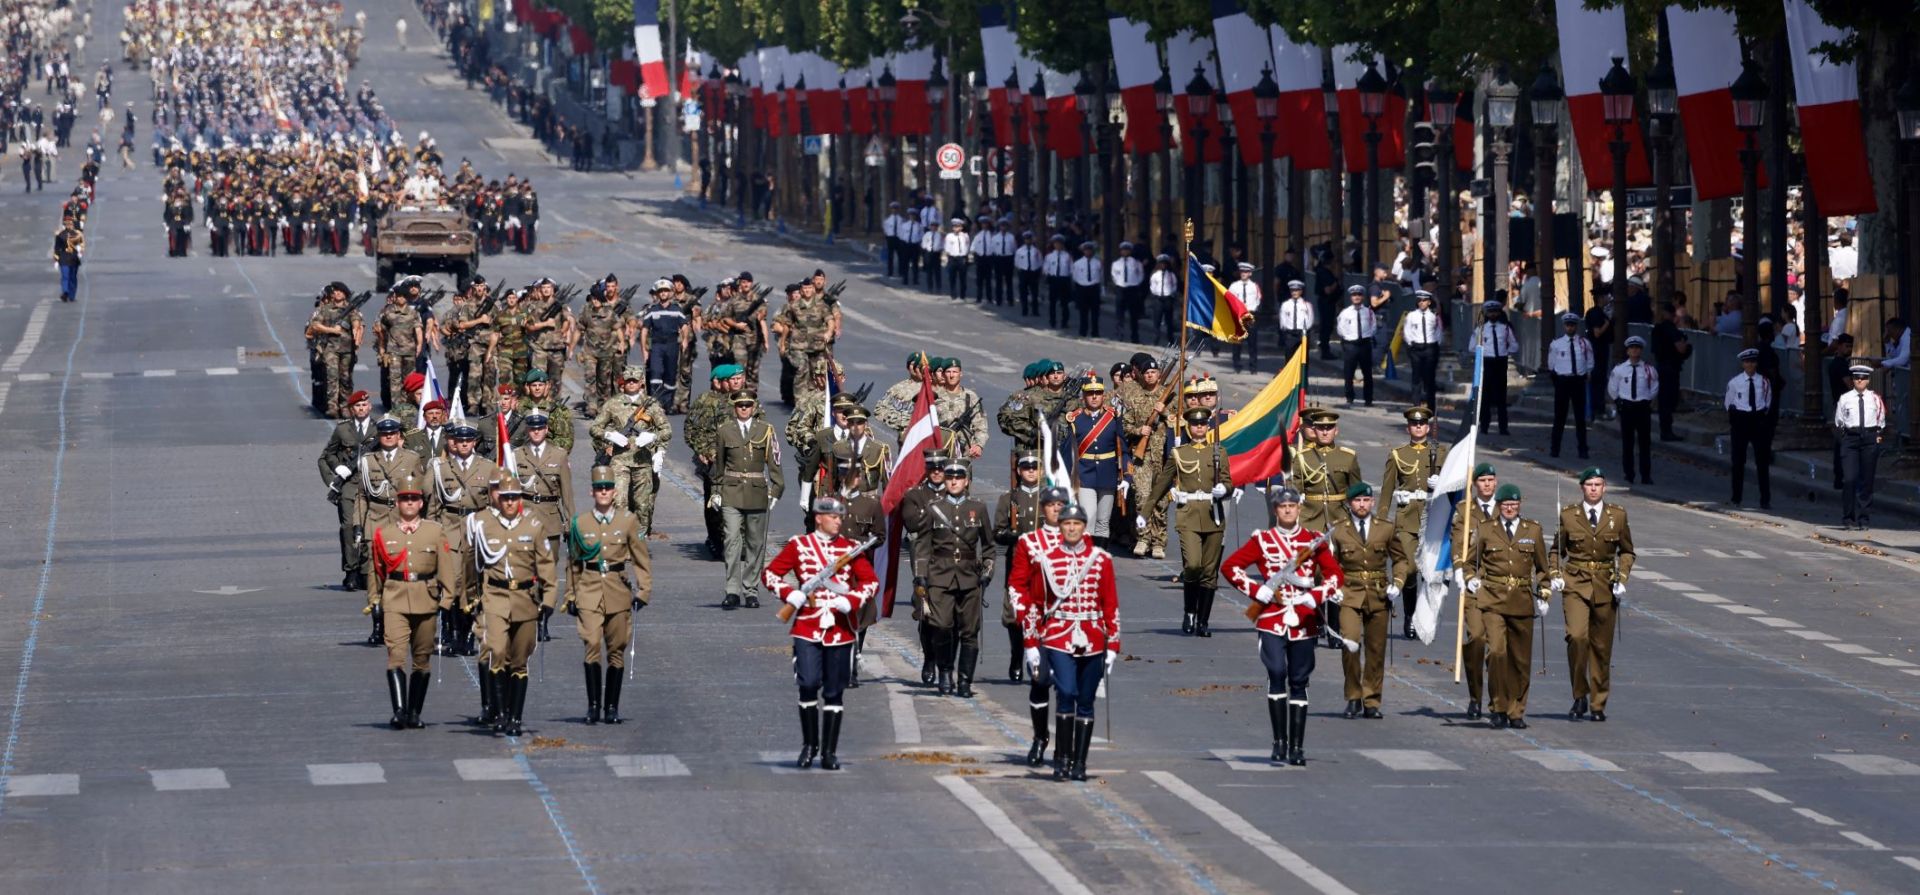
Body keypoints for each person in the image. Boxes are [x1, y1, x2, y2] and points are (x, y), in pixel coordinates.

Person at [1221, 487, 1341, 765]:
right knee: (1276, 672)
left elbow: (1335, 575)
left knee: (1299, 681)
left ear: (1299, 508)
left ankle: (1297, 748)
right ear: (1275, 510)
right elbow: (1230, 567)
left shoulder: (1313, 540)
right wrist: (1256, 590)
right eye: (1282, 506)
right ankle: (1279, 742)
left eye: (1292, 506)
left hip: (1303, 620)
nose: (1287, 510)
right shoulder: (1263, 540)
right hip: (1272, 618)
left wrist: (1316, 596)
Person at [764, 497, 880, 770]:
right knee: (807, 684)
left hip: (840, 629)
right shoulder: (799, 546)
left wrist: (851, 601)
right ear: (819, 518)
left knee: (834, 691)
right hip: (807, 625)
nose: (839, 521)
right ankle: (809, 745)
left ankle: (829, 752)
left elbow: (870, 582)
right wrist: (790, 593)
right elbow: (770, 574)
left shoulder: (850, 549)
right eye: (834, 517)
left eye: (841, 517)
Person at [1016, 504, 1118, 782]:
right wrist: (1031, 644)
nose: (1071, 528)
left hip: (1093, 637)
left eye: (1077, 523)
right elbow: (1035, 605)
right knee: (1067, 693)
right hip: (1058, 637)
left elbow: (1111, 605)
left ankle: (1079, 763)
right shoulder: (1046, 560)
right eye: (1066, 524)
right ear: (1059, 527)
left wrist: (1113, 647)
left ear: (1084, 527)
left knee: (1085, 701)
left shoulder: (1101, 560)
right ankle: (1060, 759)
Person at [472, 476, 558, 736]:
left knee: (519, 661)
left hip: (525, 600)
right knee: (496, 650)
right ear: (498, 499)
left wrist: (549, 600)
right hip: (495, 597)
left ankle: (514, 718)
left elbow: (546, 566)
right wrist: (471, 598)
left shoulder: (533, 527)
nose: (510, 502)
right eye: (505, 497)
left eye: (514, 497)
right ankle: (498, 713)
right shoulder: (485, 527)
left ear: (521, 499)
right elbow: (473, 564)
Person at [365, 476, 453, 729]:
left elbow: (445, 568)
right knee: (395, 655)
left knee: (422, 659)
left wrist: (447, 599)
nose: (410, 503)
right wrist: (374, 598)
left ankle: (415, 712)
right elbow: (376, 570)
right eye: (405, 499)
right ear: (397, 502)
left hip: (426, 599)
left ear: (422, 503)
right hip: (395, 598)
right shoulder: (385, 533)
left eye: (414, 499)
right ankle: (399, 711)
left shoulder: (435, 531)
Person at [1460, 483, 1549, 729]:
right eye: (1505, 504)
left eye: (1514, 504)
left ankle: (1516, 710)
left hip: (1521, 600)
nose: (1510, 508)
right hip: (1493, 599)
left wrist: (1544, 592)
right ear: (1498, 506)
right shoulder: (1487, 529)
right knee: (1497, 652)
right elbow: (1469, 563)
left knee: (1520, 660)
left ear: (1520, 505)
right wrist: (1471, 580)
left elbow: (1543, 568)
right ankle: (1498, 706)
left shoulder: (1533, 530)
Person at [1550, 468, 1635, 723]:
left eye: (1598, 484)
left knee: (1601, 647)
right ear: (1582, 488)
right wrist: (1555, 574)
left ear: (1605, 487)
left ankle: (1598, 703)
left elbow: (1628, 551)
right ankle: (1580, 694)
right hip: (1575, 583)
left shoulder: (1617, 516)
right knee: (1577, 637)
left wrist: (1622, 578)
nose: (1594, 489)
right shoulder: (1568, 516)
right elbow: (1556, 550)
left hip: (1605, 585)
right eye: (1589, 485)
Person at [566, 466, 649, 724]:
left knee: (616, 649)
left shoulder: (627, 521)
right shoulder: (580, 523)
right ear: (592, 492)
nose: (603, 492)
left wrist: (644, 589)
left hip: (617, 591)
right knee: (591, 644)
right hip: (589, 590)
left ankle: (611, 707)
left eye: (608, 488)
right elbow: (574, 563)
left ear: (614, 492)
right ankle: (593, 706)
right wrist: (570, 594)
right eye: (599, 488)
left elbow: (640, 557)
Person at [1148, 409, 1233, 636]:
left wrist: (1224, 489)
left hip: (1213, 514)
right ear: (1189, 427)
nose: (1199, 428)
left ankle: (1203, 621)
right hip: (1188, 516)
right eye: (1195, 424)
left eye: (1203, 424)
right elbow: (1161, 484)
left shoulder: (1219, 452)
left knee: (1209, 572)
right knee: (1193, 565)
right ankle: (1189, 612)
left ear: (1208, 427)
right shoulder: (1178, 453)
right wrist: (1144, 512)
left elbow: (1228, 481)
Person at [912, 460, 994, 697]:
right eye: (949, 477)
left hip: (969, 577)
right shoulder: (933, 507)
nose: (954, 481)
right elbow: (923, 545)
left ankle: (965, 681)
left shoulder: (977, 508)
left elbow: (988, 546)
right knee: (941, 626)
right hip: (940, 575)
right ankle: (945, 671)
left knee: (969, 631)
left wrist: (987, 572)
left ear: (966, 481)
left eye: (959, 477)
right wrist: (920, 576)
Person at [1328, 482, 1404, 720]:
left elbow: (1401, 560)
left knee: (1376, 649)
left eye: (1366, 501)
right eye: (1357, 501)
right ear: (1350, 504)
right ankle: (1353, 696)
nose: (1362, 505)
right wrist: (1332, 587)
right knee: (1350, 643)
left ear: (1372, 502)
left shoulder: (1386, 529)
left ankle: (1372, 699)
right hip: (1349, 593)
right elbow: (1327, 564)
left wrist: (1398, 583)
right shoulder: (1338, 530)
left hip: (1379, 593)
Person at [711, 393, 785, 609]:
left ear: (754, 407)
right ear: (735, 407)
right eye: (740, 405)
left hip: (757, 492)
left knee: (755, 543)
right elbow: (719, 463)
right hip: (731, 492)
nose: (744, 408)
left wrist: (777, 489)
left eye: (747, 405)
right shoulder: (725, 430)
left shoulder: (765, 430)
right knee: (732, 541)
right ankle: (732, 590)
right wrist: (716, 490)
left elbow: (775, 461)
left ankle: (751, 590)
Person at [1381, 406, 1446, 638]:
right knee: (1408, 569)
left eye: (1422, 423)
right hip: (1407, 518)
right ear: (1408, 427)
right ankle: (1409, 614)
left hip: (1433, 517)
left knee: (1429, 574)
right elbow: (1387, 492)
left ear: (1428, 427)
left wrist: (1441, 483)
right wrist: (1380, 523)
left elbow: (1458, 487)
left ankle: (1422, 617)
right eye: (1414, 424)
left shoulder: (1442, 454)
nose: (1418, 427)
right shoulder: (1398, 454)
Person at [588, 367, 672, 532]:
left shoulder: (651, 405)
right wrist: (610, 435)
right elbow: (595, 428)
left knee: (642, 504)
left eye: (635, 381)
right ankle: (620, 538)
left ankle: (639, 538)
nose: (631, 384)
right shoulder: (613, 404)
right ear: (623, 383)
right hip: (619, 460)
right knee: (619, 500)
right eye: (628, 381)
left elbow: (666, 430)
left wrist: (653, 438)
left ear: (641, 383)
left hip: (643, 461)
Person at [993, 457, 1053, 682]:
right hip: (1018, 563)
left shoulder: (1049, 499)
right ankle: (1016, 657)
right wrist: (1012, 535)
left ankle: (1041, 658)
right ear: (1018, 471)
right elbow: (997, 532)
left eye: (1034, 468)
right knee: (1014, 615)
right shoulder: (1009, 499)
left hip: (1045, 565)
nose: (1030, 471)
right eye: (1026, 468)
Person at [1454, 463, 1500, 719]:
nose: (1487, 485)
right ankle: (1475, 695)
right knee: (1476, 640)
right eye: (1482, 480)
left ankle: (1496, 699)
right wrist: (1460, 571)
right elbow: (1458, 543)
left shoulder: (1504, 508)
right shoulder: (1465, 510)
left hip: (1498, 587)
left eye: (1491, 480)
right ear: (1474, 484)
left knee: (1497, 648)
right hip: (1473, 584)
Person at [320, 393, 377, 591]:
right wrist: (335, 475)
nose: (361, 408)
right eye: (357, 406)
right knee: (348, 527)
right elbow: (327, 456)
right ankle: (351, 571)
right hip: (350, 485)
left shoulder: (379, 429)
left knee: (370, 528)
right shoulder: (343, 429)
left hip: (372, 485)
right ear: (352, 409)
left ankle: (365, 571)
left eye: (364, 404)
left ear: (370, 406)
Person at [1069, 377, 1128, 548]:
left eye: (1098, 393)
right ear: (1084, 396)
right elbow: (1068, 452)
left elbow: (1122, 448)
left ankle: (1100, 560)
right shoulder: (1075, 419)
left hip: (1107, 474)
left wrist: (1127, 475)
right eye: (1090, 393)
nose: (1094, 397)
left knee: (1103, 522)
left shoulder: (1112, 417)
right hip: (1085, 474)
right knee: (1089, 518)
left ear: (1103, 395)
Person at [1834, 364, 1887, 531]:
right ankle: (1848, 516)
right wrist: (1845, 438)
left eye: (1863, 378)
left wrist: (1876, 437)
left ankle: (1864, 517)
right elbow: (1839, 421)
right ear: (1853, 379)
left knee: (1867, 479)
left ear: (1868, 380)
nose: (1860, 380)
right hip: (1851, 438)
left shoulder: (1875, 398)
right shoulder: (1845, 398)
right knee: (1849, 478)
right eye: (1857, 377)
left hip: (1869, 438)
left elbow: (1881, 421)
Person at [1291, 408, 1361, 533]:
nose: (1324, 432)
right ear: (1315, 430)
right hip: (1310, 518)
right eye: (1320, 428)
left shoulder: (1348, 457)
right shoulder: (1302, 457)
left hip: (1340, 517)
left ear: (1336, 431)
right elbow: (1293, 491)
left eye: (1329, 428)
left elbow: (1357, 491)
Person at [1725, 349, 1774, 508]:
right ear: (1742, 364)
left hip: (1758, 420)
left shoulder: (1764, 382)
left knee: (1762, 462)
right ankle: (1736, 497)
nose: (1750, 365)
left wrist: (1761, 418)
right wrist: (1736, 418)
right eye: (1747, 362)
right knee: (1738, 461)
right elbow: (1729, 403)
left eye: (1753, 362)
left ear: (1756, 363)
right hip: (1741, 420)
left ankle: (1765, 499)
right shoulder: (1735, 382)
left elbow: (1767, 402)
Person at [1606, 337, 1658, 484]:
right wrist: (1618, 401)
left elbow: (1654, 387)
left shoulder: (1648, 369)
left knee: (1644, 443)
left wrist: (1647, 399)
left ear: (1641, 350)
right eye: (1632, 348)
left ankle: (1645, 475)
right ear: (1627, 351)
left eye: (1637, 348)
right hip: (1627, 407)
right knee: (1627, 442)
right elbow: (1612, 387)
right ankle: (1629, 473)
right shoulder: (1620, 369)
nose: (1635, 350)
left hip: (1642, 407)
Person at [1546, 312, 1595, 459]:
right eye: (1568, 325)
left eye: (1573, 325)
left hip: (1578, 381)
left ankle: (1583, 449)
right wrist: (1558, 379)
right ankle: (1555, 449)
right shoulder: (1556, 344)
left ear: (1576, 326)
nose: (1570, 328)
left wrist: (1586, 373)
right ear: (1564, 326)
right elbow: (1551, 364)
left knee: (1580, 418)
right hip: (1563, 381)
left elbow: (1590, 361)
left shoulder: (1584, 343)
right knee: (1559, 417)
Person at [1474, 301, 1518, 434]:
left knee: (1501, 396)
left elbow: (1514, 345)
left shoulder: (1505, 328)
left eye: (1495, 311)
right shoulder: (1481, 329)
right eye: (1490, 312)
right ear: (1486, 313)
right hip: (1487, 362)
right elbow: (1472, 346)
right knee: (1485, 395)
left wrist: (1505, 351)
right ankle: (1484, 425)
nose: (1493, 314)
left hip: (1500, 362)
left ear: (1499, 313)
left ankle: (1503, 427)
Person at [1650, 302, 1691, 441]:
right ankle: (1667, 432)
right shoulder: (1670, 329)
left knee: (1664, 401)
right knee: (1669, 400)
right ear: (1673, 315)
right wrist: (1686, 346)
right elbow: (1681, 349)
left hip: (1661, 366)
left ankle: (1665, 430)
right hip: (1670, 368)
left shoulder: (1657, 329)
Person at [1334, 285, 1378, 405]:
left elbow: (1373, 326)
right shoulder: (1345, 312)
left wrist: (1367, 335)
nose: (1357, 297)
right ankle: (1349, 397)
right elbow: (1340, 328)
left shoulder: (1368, 312)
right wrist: (1348, 338)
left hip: (1364, 344)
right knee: (1349, 373)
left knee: (1367, 373)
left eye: (1359, 295)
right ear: (1351, 297)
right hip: (1351, 344)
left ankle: (1368, 398)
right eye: (1354, 295)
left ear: (1362, 297)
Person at [1400, 290, 1442, 407]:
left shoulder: (1433, 316)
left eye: (1424, 301)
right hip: (1416, 349)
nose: (1421, 303)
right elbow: (1407, 331)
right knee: (1416, 377)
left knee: (1430, 378)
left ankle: (1431, 406)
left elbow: (1438, 331)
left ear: (1429, 302)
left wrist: (1436, 343)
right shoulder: (1412, 315)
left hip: (1430, 348)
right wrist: (1410, 343)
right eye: (1419, 300)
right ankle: (1416, 405)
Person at [1114, 242, 1149, 344]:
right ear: (1120, 251)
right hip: (1121, 288)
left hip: (1132, 289)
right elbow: (1114, 275)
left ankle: (1134, 336)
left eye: (1127, 250)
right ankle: (1120, 334)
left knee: (1134, 315)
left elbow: (1141, 274)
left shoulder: (1136, 263)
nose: (1125, 251)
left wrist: (1135, 283)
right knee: (1120, 314)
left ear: (1130, 251)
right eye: (1123, 250)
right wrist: (1119, 283)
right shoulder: (1116, 263)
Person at [1043, 235, 1073, 330]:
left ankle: (1064, 322)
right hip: (1054, 279)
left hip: (1064, 280)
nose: (1058, 245)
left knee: (1064, 303)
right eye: (1056, 243)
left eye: (1060, 243)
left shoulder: (1067, 256)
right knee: (1052, 302)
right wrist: (1048, 275)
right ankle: (1052, 321)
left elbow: (1071, 269)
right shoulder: (1049, 256)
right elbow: (1045, 268)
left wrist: (1070, 278)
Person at [51, 218, 83, 302]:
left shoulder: (60, 235)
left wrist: (56, 259)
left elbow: (57, 248)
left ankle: (66, 291)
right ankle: (71, 295)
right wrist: (79, 254)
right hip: (73, 258)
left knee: (65, 277)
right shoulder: (76, 234)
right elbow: (79, 247)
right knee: (72, 278)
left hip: (64, 258)